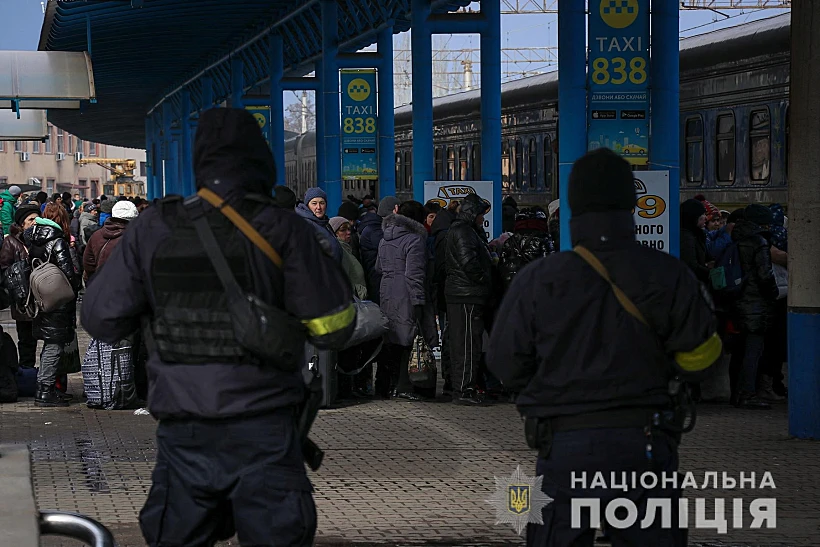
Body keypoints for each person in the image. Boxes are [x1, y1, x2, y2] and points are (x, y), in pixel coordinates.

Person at [81, 108, 355, 546]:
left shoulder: (155, 227)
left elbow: (100, 318)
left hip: (185, 430)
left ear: (200, 162)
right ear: (261, 160)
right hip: (266, 426)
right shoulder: (286, 229)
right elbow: (335, 327)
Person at [487, 148, 722, 545]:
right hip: (645, 441)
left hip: (563, 446)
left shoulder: (538, 279)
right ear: (632, 205)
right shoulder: (669, 274)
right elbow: (702, 357)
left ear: (574, 206)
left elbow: (504, 361)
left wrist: (551, 386)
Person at [375, 201, 438, 400]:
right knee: (409, 340)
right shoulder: (415, 240)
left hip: (387, 292)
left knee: (391, 340)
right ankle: (405, 386)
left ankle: (384, 385)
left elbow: (378, 267)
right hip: (407, 294)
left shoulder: (385, 238)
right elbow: (415, 274)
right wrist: (418, 301)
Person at [27, 203, 82, 407]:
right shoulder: (57, 241)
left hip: (41, 297)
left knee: (49, 344)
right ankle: (45, 391)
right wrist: (74, 289)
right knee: (54, 346)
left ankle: (47, 387)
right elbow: (69, 274)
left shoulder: (32, 238)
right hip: (57, 300)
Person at [445, 193, 493, 405]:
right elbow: (469, 262)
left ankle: (464, 388)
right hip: (466, 293)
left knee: (466, 342)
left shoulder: (464, 230)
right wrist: (484, 279)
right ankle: (464, 389)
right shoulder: (464, 232)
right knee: (467, 343)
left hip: (464, 292)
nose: (483, 219)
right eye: (481, 214)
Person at [0, 205, 40, 369]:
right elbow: (4, 268)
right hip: (22, 300)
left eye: (37, 219)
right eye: (31, 220)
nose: (34, 223)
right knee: (26, 340)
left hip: (40, 297)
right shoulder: (11, 242)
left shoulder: (40, 238)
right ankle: (26, 371)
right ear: (21, 223)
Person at [295, 188, 343, 262]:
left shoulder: (324, 223)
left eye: (322, 203)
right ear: (307, 205)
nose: (318, 207)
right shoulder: (306, 225)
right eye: (314, 203)